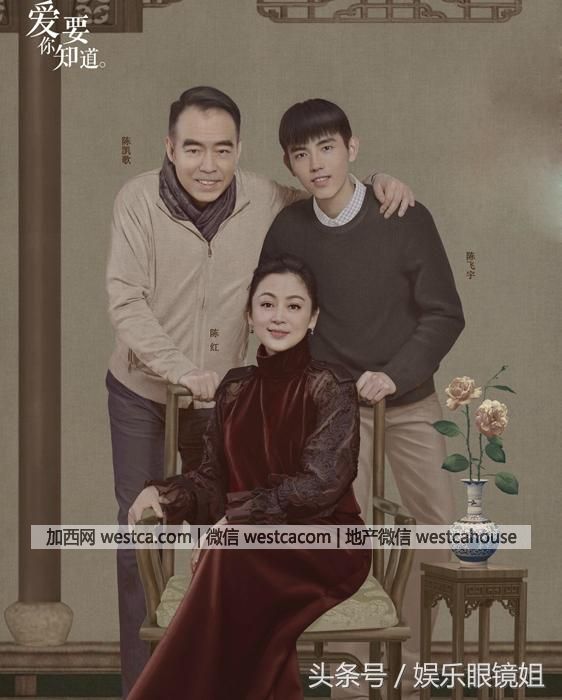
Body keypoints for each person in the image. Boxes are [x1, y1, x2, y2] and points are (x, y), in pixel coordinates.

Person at [105, 85, 414, 697]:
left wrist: (376, 180)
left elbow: (327, 191)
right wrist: (180, 373)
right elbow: (126, 301)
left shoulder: (266, 197)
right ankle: (143, 684)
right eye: (193, 149)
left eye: (223, 150)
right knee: (139, 536)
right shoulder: (136, 199)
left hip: (222, 388)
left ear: (240, 150)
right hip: (145, 386)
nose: (209, 165)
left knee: (225, 536)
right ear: (170, 147)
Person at [259, 98, 466, 698]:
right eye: (301, 154)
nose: (316, 164)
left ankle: (411, 676)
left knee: (437, 536)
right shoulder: (289, 229)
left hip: (409, 400)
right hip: (334, 411)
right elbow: (278, 316)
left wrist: (395, 375)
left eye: (327, 148)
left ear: (352, 147)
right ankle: (352, 684)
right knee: (343, 538)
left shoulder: (403, 214)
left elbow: (445, 313)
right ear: (289, 165)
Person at [126, 256, 371, 700]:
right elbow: (212, 479)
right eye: (267, 304)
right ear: (249, 314)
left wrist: (239, 519)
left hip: (324, 543)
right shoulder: (235, 389)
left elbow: (320, 485)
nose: (279, 316)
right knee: (232, 557)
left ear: (313, 318)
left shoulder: (331, 386)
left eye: (294, 306)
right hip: (247, 546)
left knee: (228, 556)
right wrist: (164, 494)